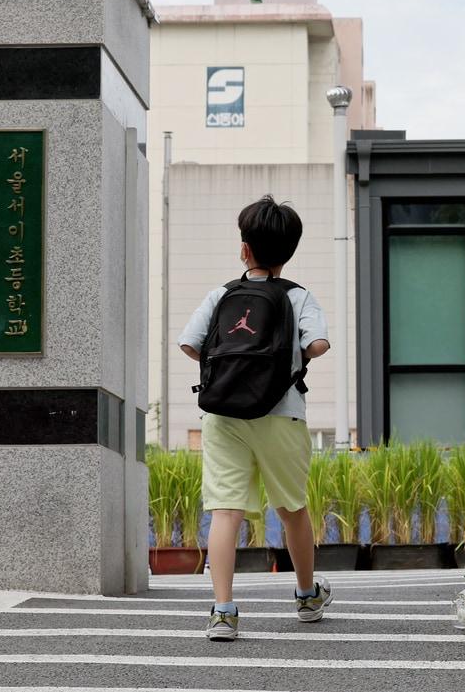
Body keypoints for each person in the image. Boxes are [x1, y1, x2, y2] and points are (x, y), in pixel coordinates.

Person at [178, 195, 333, 641]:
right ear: (289, 251)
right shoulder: (299, 296)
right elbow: (319, 344)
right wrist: (285, 360)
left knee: (225, 512)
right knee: (291, 509)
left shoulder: (222, 294)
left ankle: (223, 611)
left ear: (244, 249)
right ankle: (306, 595)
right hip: (281, 412)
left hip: (223, 413)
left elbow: (190, 345)